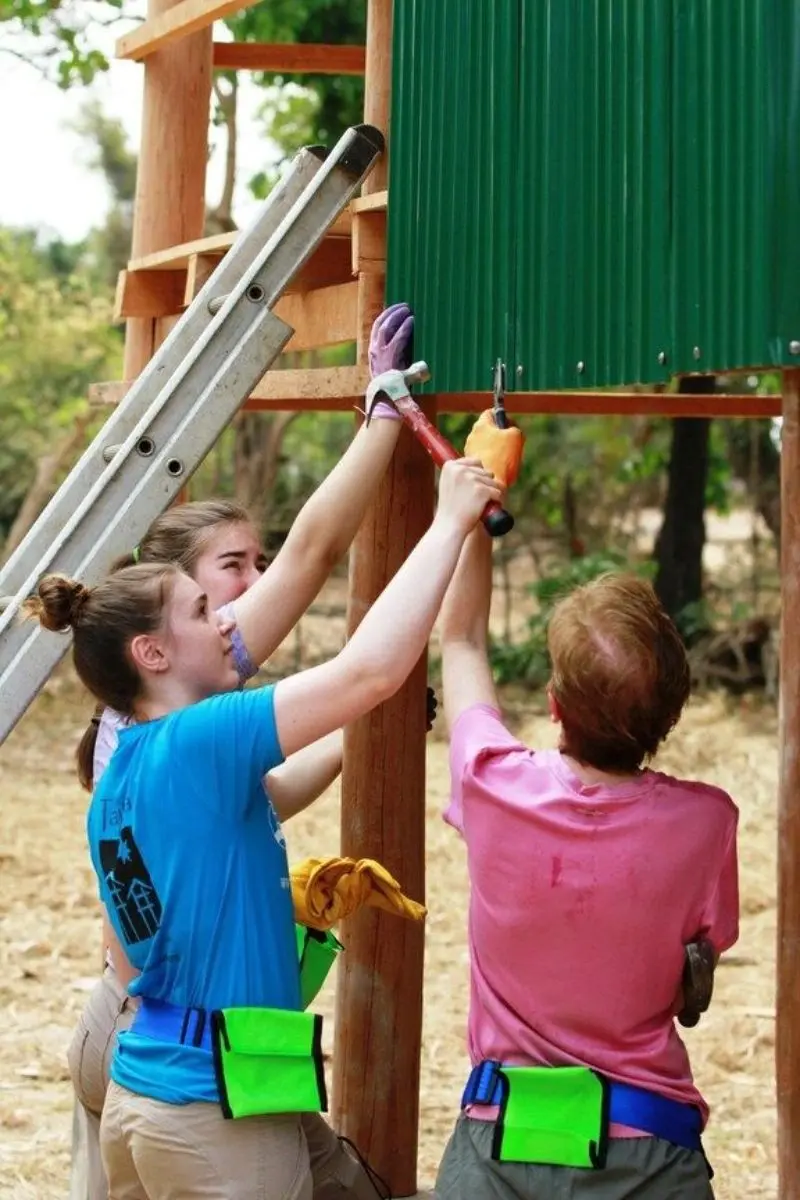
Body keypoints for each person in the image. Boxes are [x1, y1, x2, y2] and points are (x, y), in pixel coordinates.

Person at [28, 453, 502, 1200]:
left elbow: (249, 816)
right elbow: (367, 671)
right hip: (212, 1110)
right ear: (151, 654)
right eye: (199, 610)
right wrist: (449, 522)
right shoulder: (202, 738)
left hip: (147, 1089)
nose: (226, 621)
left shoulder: (125, 771)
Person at [68, 303, 419, 1200]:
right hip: (173, 1047)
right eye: (222, 578)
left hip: (181, 1040)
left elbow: (251, 808)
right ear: (156, 635)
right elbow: (318, 567)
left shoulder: (147, 723)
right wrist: (398, 437)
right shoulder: (189, 727)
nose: (240, 607)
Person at [436, 539, 739, 1200]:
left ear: (553, 704)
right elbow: (699, 963)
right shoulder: (708, 823)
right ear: (673, 716)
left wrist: (474, 524)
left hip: (502, 1144)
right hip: (653, 1152)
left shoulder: (493, 786)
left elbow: (459, 642)